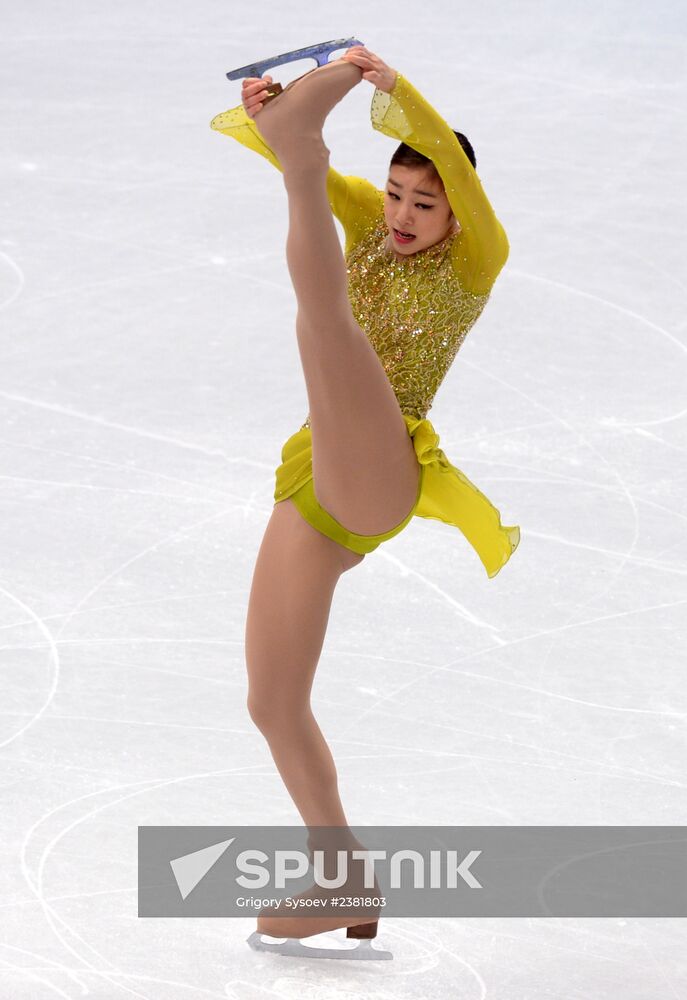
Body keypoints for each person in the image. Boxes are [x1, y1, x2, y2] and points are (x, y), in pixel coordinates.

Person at [210, 45, 520, 954]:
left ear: (458, 209)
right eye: (394, 194)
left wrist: (391, 90)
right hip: (315, 475)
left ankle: (306, 139)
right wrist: (271, 122)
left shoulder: (478, 260)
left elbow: (439, 172)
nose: (402, 215)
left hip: (383, 466)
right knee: (271, 701)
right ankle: (339, 871)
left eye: (425, 203)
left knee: (326, 323)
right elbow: (289, 167)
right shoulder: (368, 223)